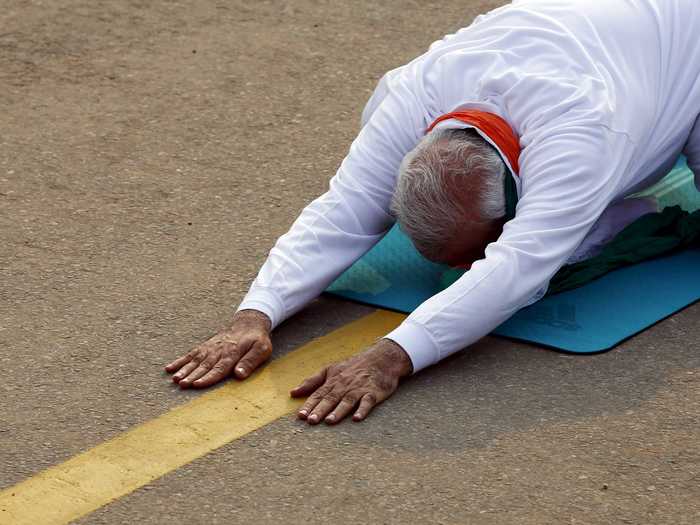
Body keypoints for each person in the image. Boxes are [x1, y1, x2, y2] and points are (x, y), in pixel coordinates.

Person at [165, 0, 700, 424]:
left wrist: (390, 357)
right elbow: (342, 211)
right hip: (593, 37)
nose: (459, 270)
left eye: (473, 254)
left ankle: (622, 210)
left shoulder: (580, 137)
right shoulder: (410, 97)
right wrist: (254, 314)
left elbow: (515, 269)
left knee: (555, 254)